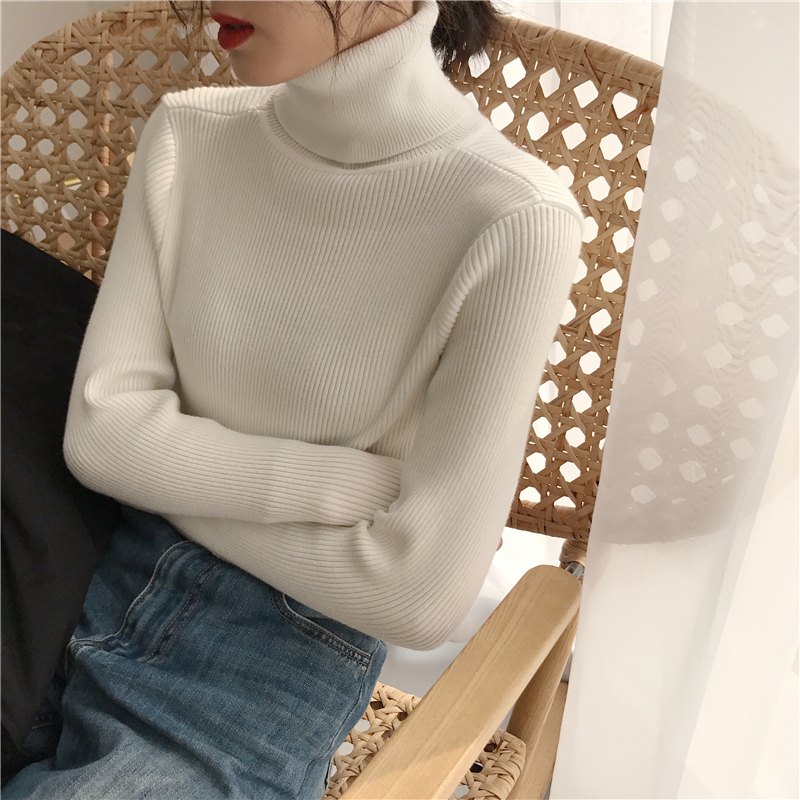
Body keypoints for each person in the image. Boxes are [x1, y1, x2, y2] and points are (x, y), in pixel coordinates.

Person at [3, 1, 585, 797]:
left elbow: (419, 596)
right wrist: (343, 486)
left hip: (258, 664)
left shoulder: (516, 218)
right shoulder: (187, 134)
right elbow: (102, 439)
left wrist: (163, 468)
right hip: (64, 577)